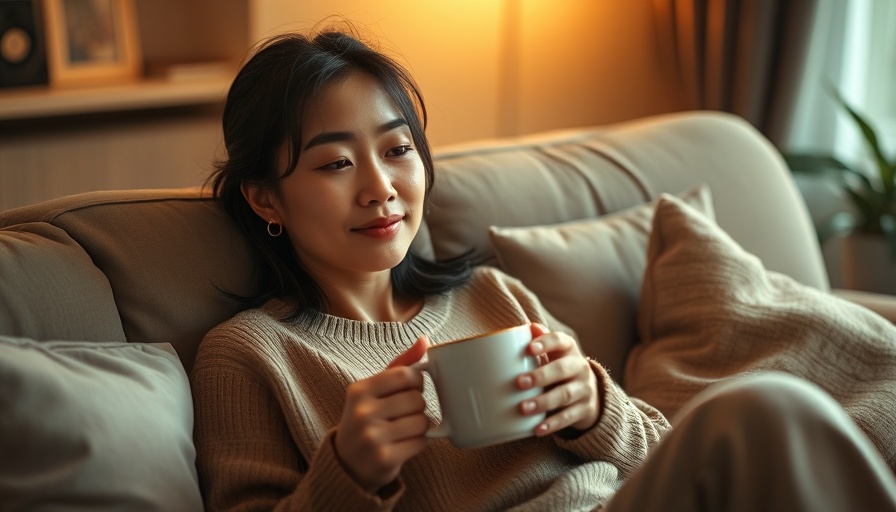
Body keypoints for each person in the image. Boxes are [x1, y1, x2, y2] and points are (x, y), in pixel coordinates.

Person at [190, 26, 896, 511]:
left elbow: (665, 452)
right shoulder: (252, 355)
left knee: (766, 415)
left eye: (397, 150)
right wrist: (350, 471)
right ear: (264, 197)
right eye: (337, 163)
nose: (381, 188)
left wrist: (594, 405)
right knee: (765, 407)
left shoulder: (493, 294)